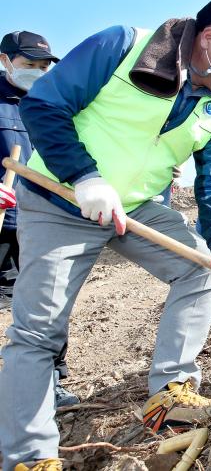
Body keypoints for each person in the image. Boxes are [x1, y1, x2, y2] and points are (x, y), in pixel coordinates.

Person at [0, 0, 211, 471]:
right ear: (209, 36)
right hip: (59, 198)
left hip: (136, 207)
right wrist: (84, 176)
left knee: (203, 270)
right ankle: (29, 456)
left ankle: (169, 394)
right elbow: (44, 105)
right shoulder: (123, 46)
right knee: (39, 332)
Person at [0, 32, 80, 410]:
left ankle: (51, 379)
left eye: (43, 65)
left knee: (50, 298)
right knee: (10, 302)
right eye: (29, 65)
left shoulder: (53, 102)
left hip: (49, 216)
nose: (38, 72)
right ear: (5, 60)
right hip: (7, 221)